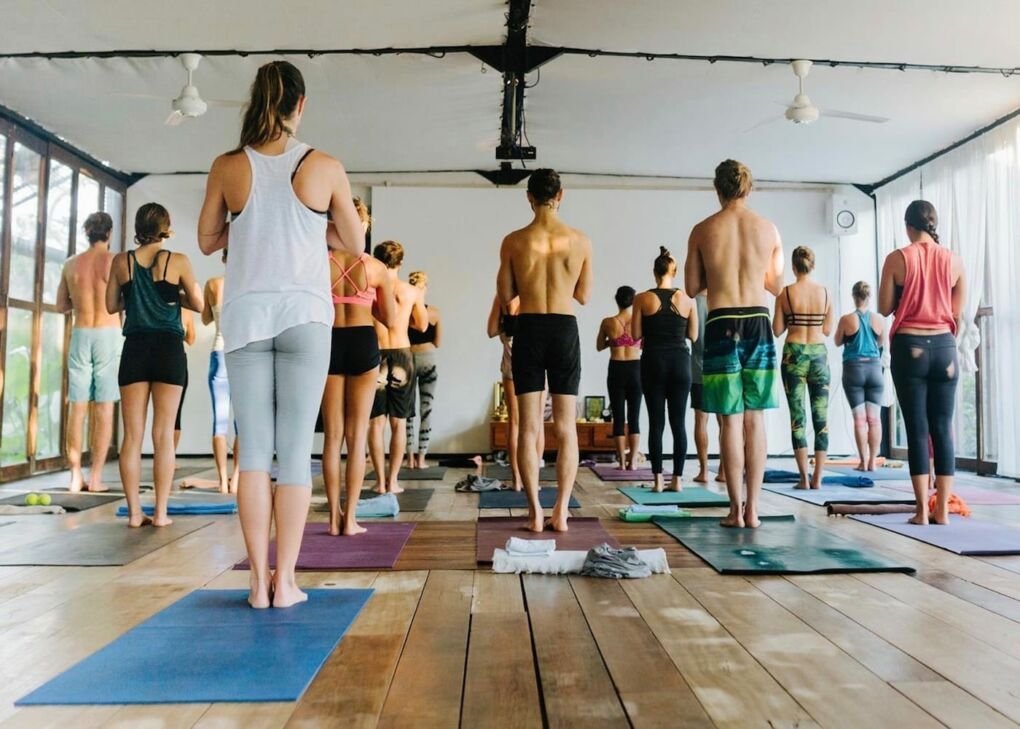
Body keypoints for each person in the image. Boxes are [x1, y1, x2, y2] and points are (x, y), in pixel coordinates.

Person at [197, 60, 365, 609]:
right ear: (301, 105)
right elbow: (355, 243)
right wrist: (317, 227)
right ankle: (285, 581)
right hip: (305, 316)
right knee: (294, 455)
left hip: (245, 316)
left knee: (253, 455)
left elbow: (206, 241)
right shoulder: (326, 165)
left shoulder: (227, 166)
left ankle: (254, 583)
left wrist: (245, 228)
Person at [685, 159, 783, 528]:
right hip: (757, 320)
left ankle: (735, 510)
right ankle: (755, 510)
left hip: (722, 321)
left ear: (717, 189)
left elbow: (693, 287)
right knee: (755, 420)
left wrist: (720, 271)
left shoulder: (702, 229)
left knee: (729, 421)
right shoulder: (768, 229)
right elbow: (775, 284)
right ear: (749, 188)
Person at [497, 168, 592, 532]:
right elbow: (583, 295)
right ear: (561, 195)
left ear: (529, 197)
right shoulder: (580, 241)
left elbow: (506, 297)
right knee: (566, 427)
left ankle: (535, 511)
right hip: (564, 329)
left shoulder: (514, 241)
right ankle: (562, 511)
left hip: (531, 328)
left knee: (529, 427)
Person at [106, 203, 203, 528]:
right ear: (167, 225)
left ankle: (135, 514)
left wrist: (134, 299)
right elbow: (199, 304)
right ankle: (161, 513)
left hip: (135, 348)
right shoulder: (178, 261)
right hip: (168, 350)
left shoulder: (123, 261)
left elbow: (110, 305)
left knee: (132, 436)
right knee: (163, 435)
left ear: (138, 226)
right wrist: (174, 295)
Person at [879, 200, 965, 525]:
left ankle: (921, 511)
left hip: (910, 345)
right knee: (943, 428)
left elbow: (886, 307)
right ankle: (942, 509)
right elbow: (956, 311)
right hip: (945, 348)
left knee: (917, 429)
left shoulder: (897, 258)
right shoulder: (954, 260)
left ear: (908, 226)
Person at [321, 203, 395, 536]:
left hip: (329, 342)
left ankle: (333, 519)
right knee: (357, 437)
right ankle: (350, 519)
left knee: (332, 437)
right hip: (363, 341)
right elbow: (391, 320)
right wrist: (366, 303)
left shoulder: (318, 263)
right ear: (364, 226)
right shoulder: (376, 268)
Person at [56, 212, 121, 493]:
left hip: (81, 333)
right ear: (108, 234)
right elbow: (123, 301)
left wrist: (81, 299)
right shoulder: (114, 262)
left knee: (77, 406)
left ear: (87, 233)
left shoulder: (71, 264)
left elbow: (61, 306)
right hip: (107, 334)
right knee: (104, 407)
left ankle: (74, 476)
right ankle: (95, 478)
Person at [633, 248, 697, 491]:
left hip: (653, 362)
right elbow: (693, 335)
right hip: (680, 362)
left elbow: (637, 334)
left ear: (654, 272)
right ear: (675, 271)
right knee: (678, 423)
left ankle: (658, 481)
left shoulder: (642, 299)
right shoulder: (687, 300)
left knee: (656, 423)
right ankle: (677, 480)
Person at [368, 240, 427, 494]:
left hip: (377, 353)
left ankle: (380, 482)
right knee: (398, 423)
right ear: (400, 263)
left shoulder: (370, 289)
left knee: (376, 423)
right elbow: (423, 326)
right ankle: (393, 482)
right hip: (402, 354)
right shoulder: (411, 292)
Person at [773, 246, 833, 489]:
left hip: (794, 355)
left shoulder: (785, 294)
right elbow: (827, 330)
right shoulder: (825, 293)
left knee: (798, 418)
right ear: (813, 265)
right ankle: (818, 477)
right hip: (819, 355)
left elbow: (777, 330)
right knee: (822, 418)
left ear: (793, 267)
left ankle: (804, 479)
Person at [486, 294, 545, 491]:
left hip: (511, 361)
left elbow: (491, 330)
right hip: (535, 359)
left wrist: (506, 330)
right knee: (537, 423)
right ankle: (534, 481)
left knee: (514, 422)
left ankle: (517, 481)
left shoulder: (502, 297)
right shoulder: (535, 291)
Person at [835, 281, 886, 472]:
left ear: (853, 296)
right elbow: (881, 343)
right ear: (869, 296)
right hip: (874, 370)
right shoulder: (879, 320)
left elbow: (837, 341)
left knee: (859, 420)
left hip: (853, 370)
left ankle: (863, 461)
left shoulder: (846, 319)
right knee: (874, 419)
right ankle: (873, 461)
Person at [199, 253, 239, 493]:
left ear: (224, 258)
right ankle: (238, 479)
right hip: (242, 354)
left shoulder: (213, 284)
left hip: (219, 352)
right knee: (242, 422)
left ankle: (223, 480)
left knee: (219, 422)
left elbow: (205, 319)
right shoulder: (248, 283)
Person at [595, 286, 642, 470]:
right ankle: (633, 463)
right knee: (634, 417)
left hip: (616, 369)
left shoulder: (608, 322)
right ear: (634, 300)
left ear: (616, 299)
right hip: (636, 369)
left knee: (619, 418)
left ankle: (621, 462)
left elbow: (599, 346)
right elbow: (644, 344)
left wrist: (613, 341)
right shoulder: (639, 323)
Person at [406, 271, 441, 469]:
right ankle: (421, 458)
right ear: (425, 288)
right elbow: (438, 342)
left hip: (408, 359)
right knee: (426, 409)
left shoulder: (404, 311)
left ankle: (410, 458)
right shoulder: (434, 312)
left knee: (408, 411)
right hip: (427, 359)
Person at [689, 293, 724, 483]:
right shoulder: (722, 297)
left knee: (701, 420)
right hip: (722, 367)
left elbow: (691, 334)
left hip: (698, 366)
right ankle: (723, 470)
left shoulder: (694, 302)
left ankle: (703, 471)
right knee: (725, 422)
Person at [173, 309, 197, 457]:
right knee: (175, 413)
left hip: (145, 356)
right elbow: (191, 339)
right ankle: (170, 456)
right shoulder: (186, 311)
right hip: (175, 359)